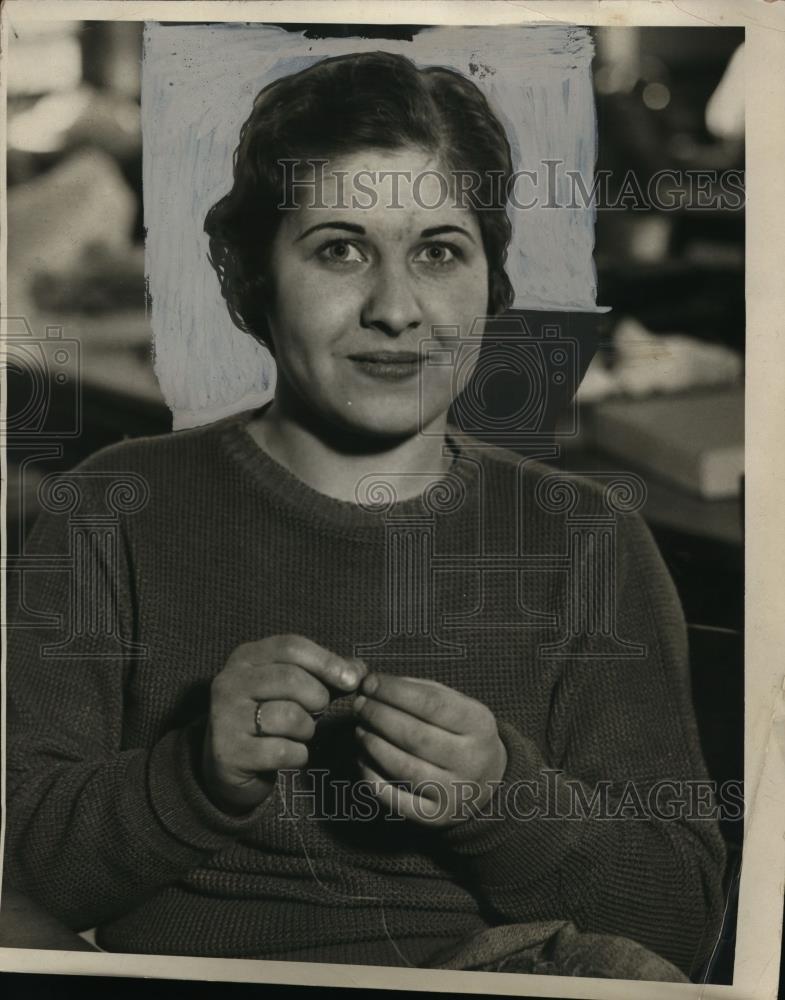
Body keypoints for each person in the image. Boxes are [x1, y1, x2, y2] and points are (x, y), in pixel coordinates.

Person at [5, 50, 726, 982]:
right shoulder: (116, 504)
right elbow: (19, 878)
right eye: (339, 248)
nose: (394, 308)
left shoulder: (584, 535)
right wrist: (192, 775)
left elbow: (683, 920)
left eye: (438, 251)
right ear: (255, 274)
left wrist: (502, 800)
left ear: (489, 281)